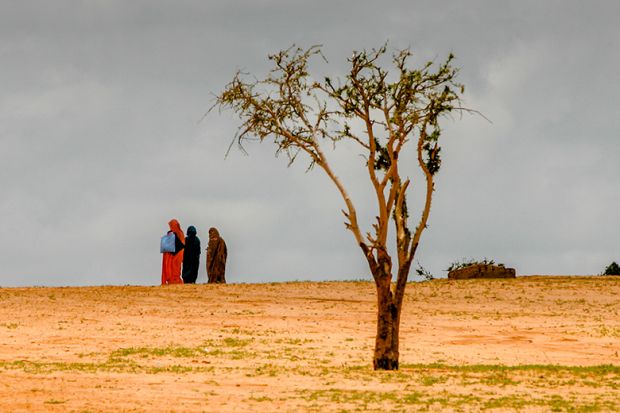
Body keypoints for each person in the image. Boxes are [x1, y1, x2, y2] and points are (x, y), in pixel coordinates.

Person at [161, 219, 185, 285]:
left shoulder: (179, 233)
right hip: (173, 255)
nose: (170, 227)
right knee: (172, 268)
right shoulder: (172, 234)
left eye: (171, 226)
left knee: (176, 269)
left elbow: (182, 244)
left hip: (178, 254)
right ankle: (171, 281)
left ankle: (176, 281)